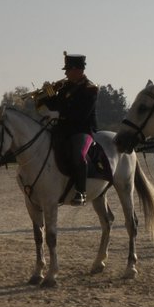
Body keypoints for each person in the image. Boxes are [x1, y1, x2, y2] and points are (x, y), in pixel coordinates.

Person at [40, 53, 99, 204]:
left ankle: (81, 191)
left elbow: (81, 114)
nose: (65, 73)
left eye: (68, 70)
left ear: (77, 70)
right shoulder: (65, 87)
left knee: (79, 155)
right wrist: (48, 94)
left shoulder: (90, 89)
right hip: (63, 128)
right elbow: (56, 105)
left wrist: (59, 114)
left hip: (82, 130)